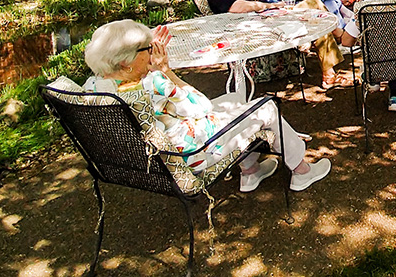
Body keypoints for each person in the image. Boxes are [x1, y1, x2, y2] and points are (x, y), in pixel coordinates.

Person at [82, 19, 332, 192]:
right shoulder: (154, 83)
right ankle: (302, 170)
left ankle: (251, 170)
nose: (152, 52)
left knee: (234, 100)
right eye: (147, 49)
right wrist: (165, 70)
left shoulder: (94, 87)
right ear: (126, 62)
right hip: (193, 154)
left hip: (148, 161)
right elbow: (200, 106)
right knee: (265, 107)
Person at [203, 0, 348, 88]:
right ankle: (339, 40)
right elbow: (238, 7)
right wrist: (269, 6)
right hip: (259, 26)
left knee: (315, 11)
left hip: (263, 18)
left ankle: (329, 67)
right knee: (314, 6)